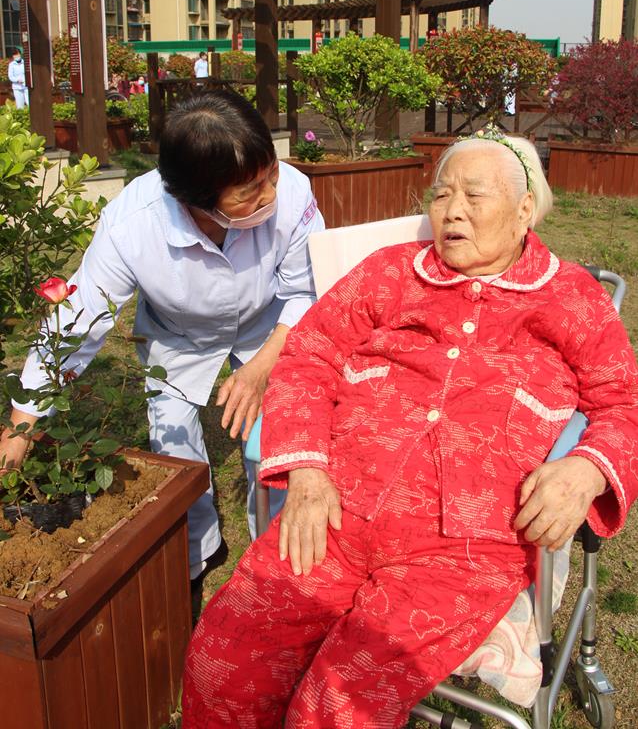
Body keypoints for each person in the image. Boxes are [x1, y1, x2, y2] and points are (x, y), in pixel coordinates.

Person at [182, 129, 638, 728]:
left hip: (465, 549)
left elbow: (623, 402)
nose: (452, 211)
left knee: (336, 706)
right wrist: (308, 470)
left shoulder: (570, 297)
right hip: (335, 511)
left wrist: (587, 468)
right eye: (441, 194)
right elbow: (309, 356)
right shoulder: (389, 273)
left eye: (474, 196)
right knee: (222, 665)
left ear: (524, 209)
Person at [0, 87, 324, 608]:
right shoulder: (135, 224)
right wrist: (22, 423)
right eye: (249, 191)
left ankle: (275, 554)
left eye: (270, 176)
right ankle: (197, 551)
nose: (268, 196)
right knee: (173, 445)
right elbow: (79, 319)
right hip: (179, 333)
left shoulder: (292, 193)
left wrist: (265, 365)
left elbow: (306, 290)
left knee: (273, 438)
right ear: (193, 198)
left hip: (271, 325)